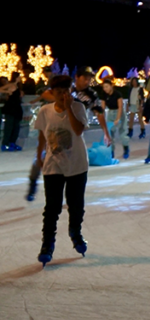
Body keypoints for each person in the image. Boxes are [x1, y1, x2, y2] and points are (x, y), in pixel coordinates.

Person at [33, 75, 89, 265]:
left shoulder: (78, 107)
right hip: (53, 164)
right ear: (52, 92)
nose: (62, 95)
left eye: (66, 91)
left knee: (76, 206)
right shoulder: (45, 111)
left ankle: (75, 232)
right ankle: (47, 245)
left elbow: (78, 130)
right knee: (52, 208)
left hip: (77, 164)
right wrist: (39, 155)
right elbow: (42, 134)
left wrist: (70, 108)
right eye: (58, 92)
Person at [72, 67, 110, 147]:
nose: (87, 82)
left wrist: (106, 133)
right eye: (85, 78)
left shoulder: (92, 95)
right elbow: (46, 93)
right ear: (76, 77)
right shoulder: (67, 88)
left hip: (78, 128)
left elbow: (99, 112)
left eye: (89, 80)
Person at [99, 78, 129, 160]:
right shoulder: (103, 94)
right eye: (104, 87)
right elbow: (103, 107)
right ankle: (111, 152)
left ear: (111, 86)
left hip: (120, 112)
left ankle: (126, 148)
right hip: (111, 113)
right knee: (110, 133)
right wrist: (101, 116)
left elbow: (120, 107)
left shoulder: (117, 94)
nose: (105, 89)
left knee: (122, 132)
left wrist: (118, 118)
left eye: (107, 87)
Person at [1, 72, 24, 151]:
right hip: (11, 108)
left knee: (15, 127)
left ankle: (12, 142)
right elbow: (0, 89)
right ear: (16, 77)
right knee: (9, 127)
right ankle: (5, 144)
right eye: (19, 77)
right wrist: (8, 92)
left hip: (16, 108)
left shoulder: (17, 86)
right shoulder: (11, 85)